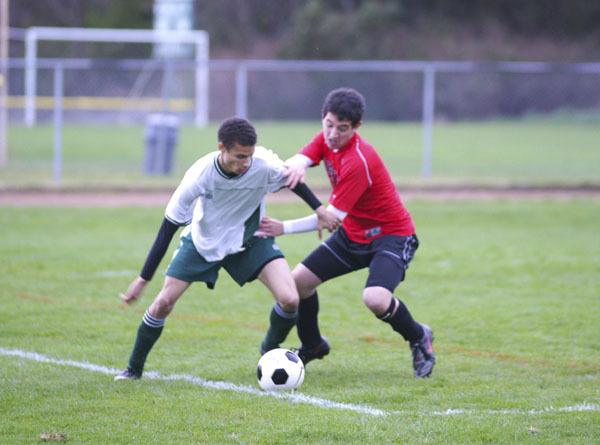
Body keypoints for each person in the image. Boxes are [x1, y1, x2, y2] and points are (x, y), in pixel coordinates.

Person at [115, 117, 340, 380]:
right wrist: (143, 279)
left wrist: (319, 210)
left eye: (249, 156)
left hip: (249, 239)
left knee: (290, 299)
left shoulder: (263, 164)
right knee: (163, 303)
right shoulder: (199, 176)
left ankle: (268, 352)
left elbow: (293, 181)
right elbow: (168, 228)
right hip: (204, 242)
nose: (245, 163)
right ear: (221, 147)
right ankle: (133, 369)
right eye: (239, 156)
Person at [258, 88, 436, 378]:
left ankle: (419, 337)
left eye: (342, 129)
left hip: (391, 236)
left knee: (375, 298)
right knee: (297, 284)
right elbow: (300, 160)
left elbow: (331, 219)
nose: (332, 134)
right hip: (353, 234)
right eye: (328, 125)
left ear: (356, 128)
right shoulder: (326, 138)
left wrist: (282, 228)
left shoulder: (358, 161)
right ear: (323, 119)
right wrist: (296, 165)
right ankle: (313, 344)